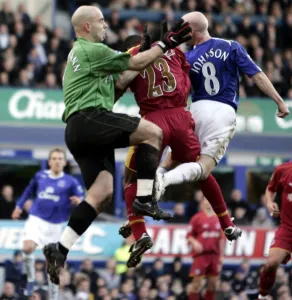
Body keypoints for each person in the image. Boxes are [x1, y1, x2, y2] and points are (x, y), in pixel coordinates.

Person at [43, 5, 192, 285]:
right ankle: (145, 198)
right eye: (101, 21)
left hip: (78, 129)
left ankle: (59, 249)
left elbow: (119, 82)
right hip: (90, 119)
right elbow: (133, 65)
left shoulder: (82, 57)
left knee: (100, 194)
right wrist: (166, 43)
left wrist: (144, 51)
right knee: (153, 133)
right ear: (86, 26)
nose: (105, 26)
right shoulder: (91, 50)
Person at [118, 26, 239, 268]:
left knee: (131, 177)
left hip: (152, 121)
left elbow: (121, 84)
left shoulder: (130, 57)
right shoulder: (172, 50)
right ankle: (227, 223)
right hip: (181, 118)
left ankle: (139, 230)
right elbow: (187, 76)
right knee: (201, 170)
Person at [153, 11, 290, 202]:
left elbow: (175, 88)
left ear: (191, 31)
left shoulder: (187, 58)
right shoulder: (231, 46)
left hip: (196, 108)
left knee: (176, 154)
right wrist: (279, 101)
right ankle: (165, 181)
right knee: (204, 167)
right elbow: (257, 75)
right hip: (222, 109)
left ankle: (158, 174)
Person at [11, 148, 84, 298]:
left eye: (60, 159)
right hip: (36, 219)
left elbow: (81, 196)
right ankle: (31, 279)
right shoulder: (40, 176)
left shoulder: (70, 181)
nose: (57, 161)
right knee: (27, 247)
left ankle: (53, 294)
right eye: (54, 158)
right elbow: (28, 191)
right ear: (49, 161)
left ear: (64, 162)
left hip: (55, 225)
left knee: (51, 265)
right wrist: (19, 206)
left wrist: (79, 201)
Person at [258, 133, 292, 299]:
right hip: (288, 228)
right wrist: (269, 203)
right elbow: (270, 189)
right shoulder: (283, 170)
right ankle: (262, 296)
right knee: (271, 264)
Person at [187, 198, 225, 300]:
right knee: (197, 284)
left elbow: (222, 239)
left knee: (213, 285)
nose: (208, 204)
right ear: (202, 204)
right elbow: (189, 235)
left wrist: (222, 255)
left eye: (210, 201)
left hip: (214, 255)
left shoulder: (219, 218)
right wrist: (195, 242)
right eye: (206, 201)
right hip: (201, 255)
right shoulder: (196, 218)